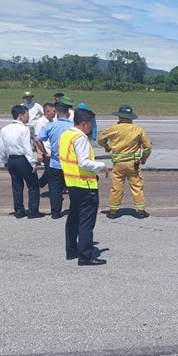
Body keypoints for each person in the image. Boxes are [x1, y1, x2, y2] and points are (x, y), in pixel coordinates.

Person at [59, 108, 108, 266]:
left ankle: (72, 249)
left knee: (73, 218)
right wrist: (101, 165)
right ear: (83, 123)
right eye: (91, 124)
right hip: (85, 185)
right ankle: (85, 255)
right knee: (86, 221)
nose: (92, 128)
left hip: (72, 183)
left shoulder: (66, 135)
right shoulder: (80, 138)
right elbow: (84, 162)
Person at [97, 105, 152, 219]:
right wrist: (143, 158)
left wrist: (107, 147)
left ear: (119, 117)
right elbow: (147, 147)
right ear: (131, 117)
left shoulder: (113, 128)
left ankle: (112, 211)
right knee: (137, 187)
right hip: (133, 164)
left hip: (118, 164)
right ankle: (141, 211)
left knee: (116, 187)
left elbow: (101, 139)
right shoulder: (138, 129)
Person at [0, 105, 44, 219]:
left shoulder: (4, 129)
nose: (28, 117)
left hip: (12, 160)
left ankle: (19, 210)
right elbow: (27, 148)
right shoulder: (24, 129)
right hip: (23, 159)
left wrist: (5, 160)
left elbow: (2, 147)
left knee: (17, 185)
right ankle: (33, 211)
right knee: (33, 185)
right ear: (20, 116)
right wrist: (32, 163)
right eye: (27, 114)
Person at [36, 96, 75, 219]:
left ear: (57, 114)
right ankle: (74, 210)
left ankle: (55, 212)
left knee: (55, 189)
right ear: (68, 114)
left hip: (55, 162)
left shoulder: (50, 126)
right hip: (70, 163)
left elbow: (38, 139)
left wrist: (44, 152)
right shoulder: (73, 128)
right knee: (73, 188)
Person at [35, 103, 55, 188]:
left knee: (49, 171)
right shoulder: (40, 122)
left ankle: (39, 184)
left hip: (52, 150)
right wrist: (39, 153)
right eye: (53, 111)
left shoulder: (53, 121)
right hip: (45, 150)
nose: (55, 113)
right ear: (47, 111)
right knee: (50, 172)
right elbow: (36, 138)